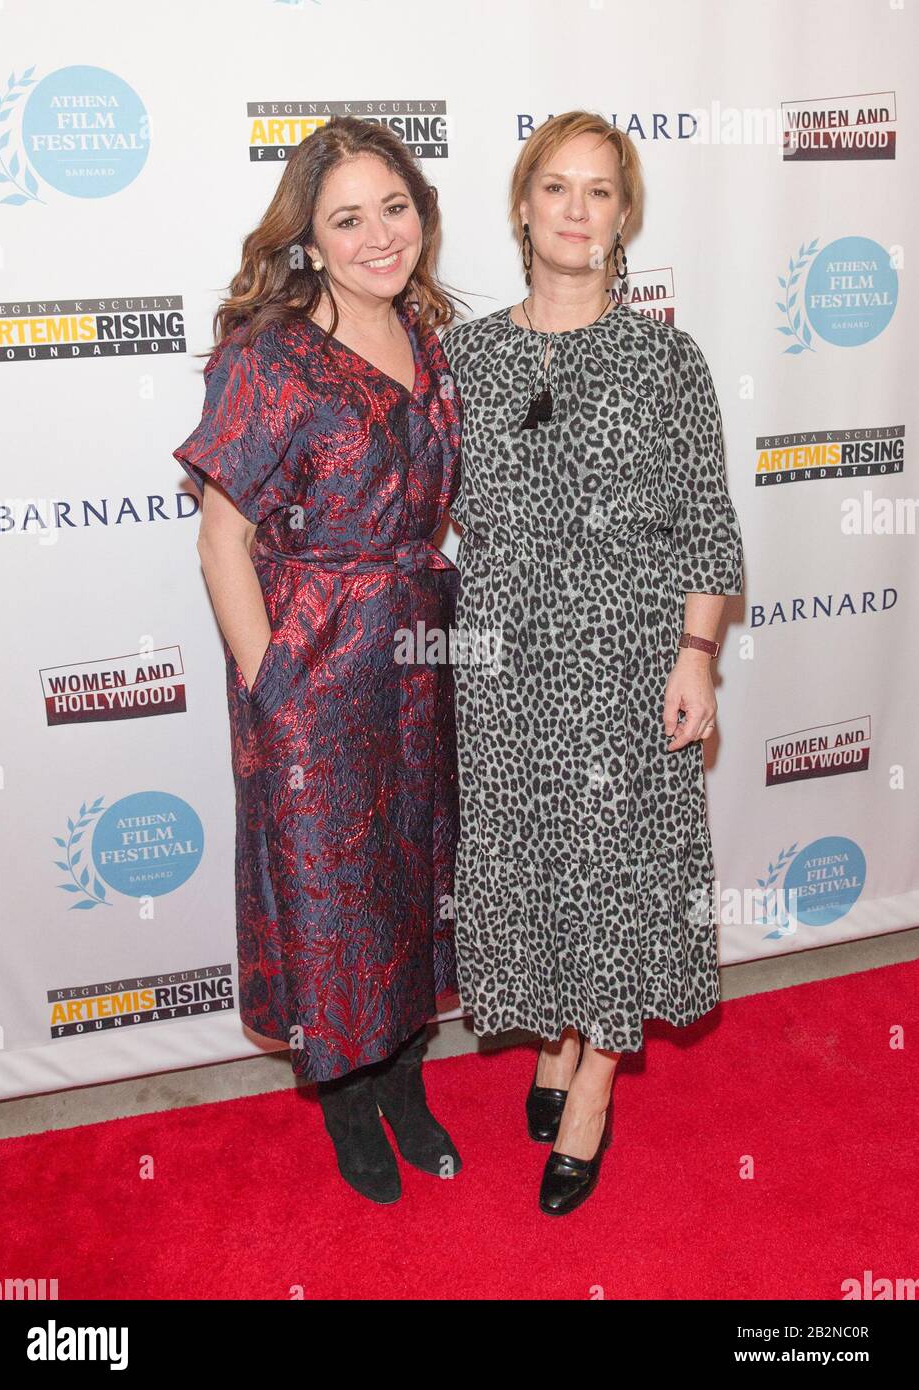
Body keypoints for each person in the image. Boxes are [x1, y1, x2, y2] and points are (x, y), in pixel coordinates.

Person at [441, 110, 745, 1217]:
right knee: (540, 860)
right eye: (557, 188)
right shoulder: (465, 357)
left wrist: (699, 654)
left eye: (600, 191)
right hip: (510, 671)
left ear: (625, 216)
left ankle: (592, 1088)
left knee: (615, 870)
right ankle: (560, 1036)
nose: (577, 209)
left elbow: (710, 529)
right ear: (523, 205)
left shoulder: (667, 358)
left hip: (628, 661)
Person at [173, 116, 464, 1205]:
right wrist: (271, 685)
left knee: (407, 871)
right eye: (348, 217)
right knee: (330, 892)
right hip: (314, 658)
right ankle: (346, 1098)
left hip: (418, 647)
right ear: (311, 237)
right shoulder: (271, 356)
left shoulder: (427, 336)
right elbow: (219, 536)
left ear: (421, 215)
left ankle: (402, 1081)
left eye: (396, 207)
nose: (378, 234)